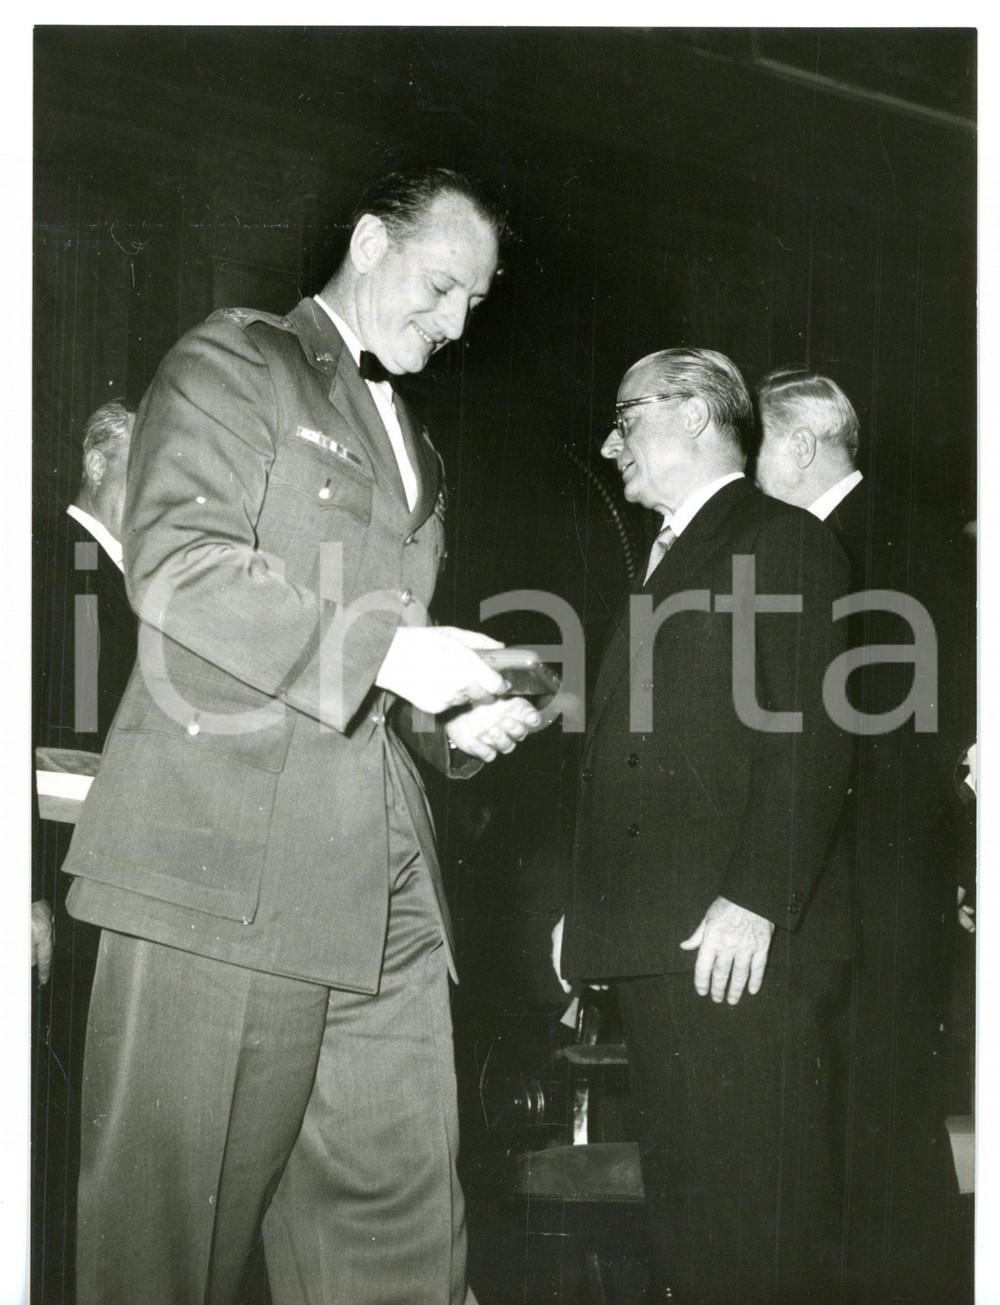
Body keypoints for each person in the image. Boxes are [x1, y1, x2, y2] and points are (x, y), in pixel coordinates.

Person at [60, 166, 542, 1305]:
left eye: (476, 302)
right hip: (222, 884)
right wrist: (386, 655)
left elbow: (378, 680)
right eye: (441, 286)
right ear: (370, 243)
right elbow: (178, 564)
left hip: (384, 903)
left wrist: (454, 722)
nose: (456, 323)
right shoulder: (240, 361)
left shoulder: (417, 447)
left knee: (399, 1253)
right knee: (165, 1251)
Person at [557, 348, 854, 1304]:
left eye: (625, 415)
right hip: (666, 945)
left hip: (734, 945)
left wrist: (756, 897)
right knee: (694, 1236)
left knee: (748, 1237)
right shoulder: (678, 550)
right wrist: (589, 907)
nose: (610, 444)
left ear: (692, 415)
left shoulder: (780, 539)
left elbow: (815, 732)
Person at [755, 368, 976, 1304]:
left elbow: (875, 736)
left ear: (801, 447)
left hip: (874, 884)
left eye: (759, 447)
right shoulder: (885, 534)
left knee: (875, 1126)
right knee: (877, 1124)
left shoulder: (861, 547)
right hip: (884, 879)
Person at [32, 400, 136, 1298]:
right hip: (73, 892)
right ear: (102, 466)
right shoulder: (75, 570)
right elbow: (56, 755)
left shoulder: (105, 577)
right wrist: (35, 890)